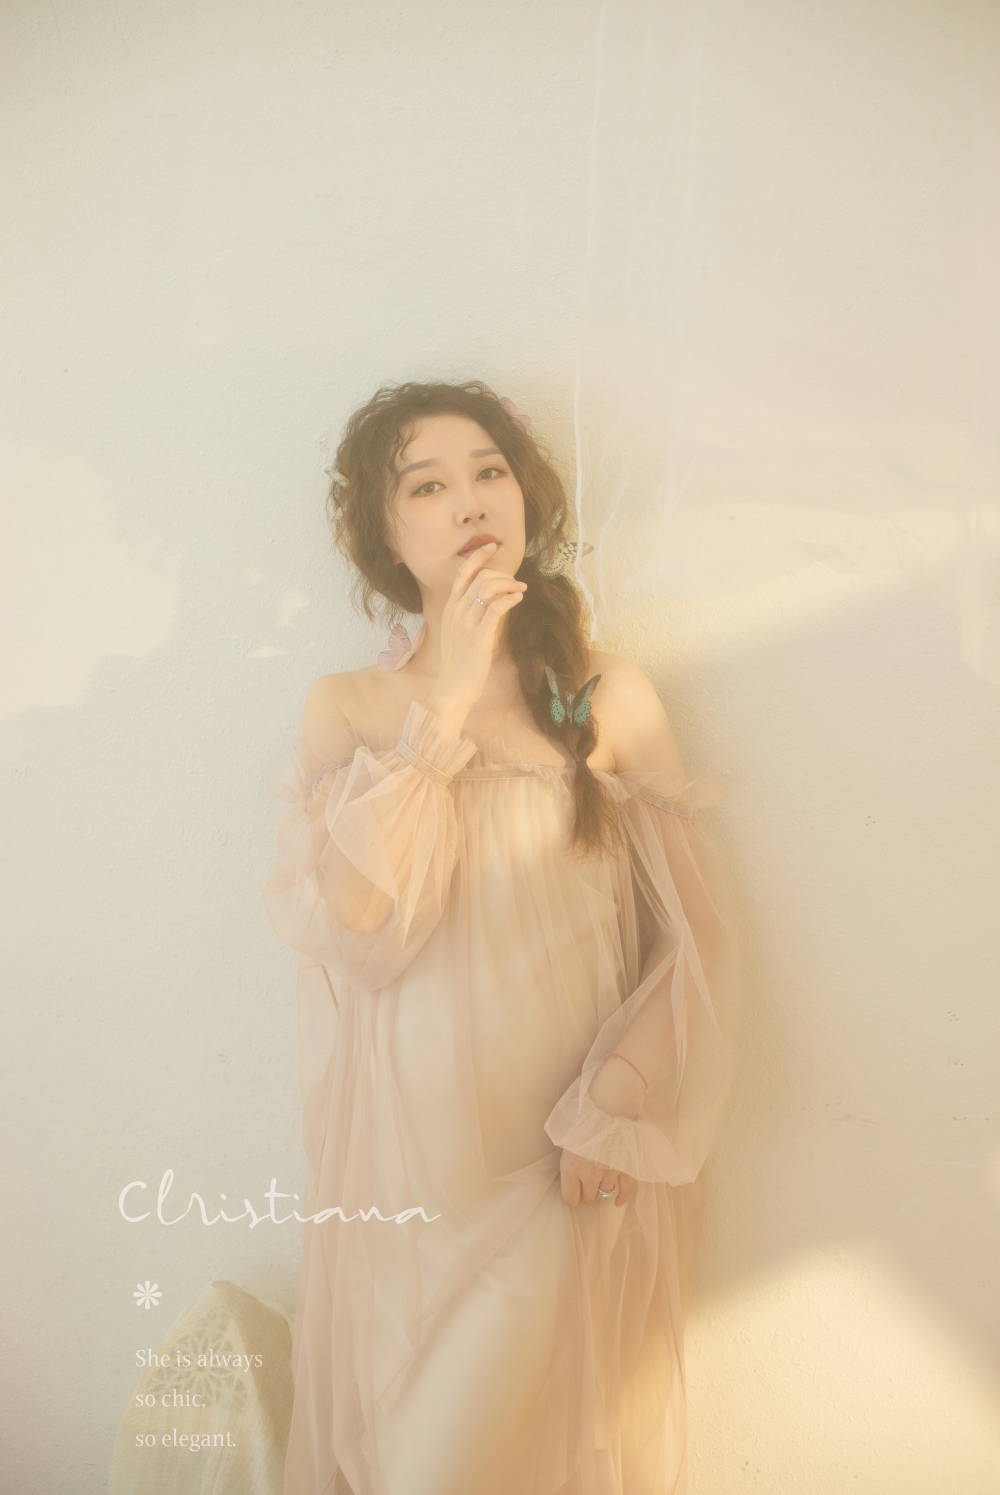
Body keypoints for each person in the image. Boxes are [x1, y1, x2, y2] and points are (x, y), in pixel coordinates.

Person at [262, 379, 742, 1495]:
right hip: (406, 1181)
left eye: (489, 472)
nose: (471, 501)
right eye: (427, 486)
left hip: (550, 1160)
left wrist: (611, 1104)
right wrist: (445, 705)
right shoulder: (349, 710)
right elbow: (359, 926)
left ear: (528, 498)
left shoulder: (605, 694)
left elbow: (699, 943)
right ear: (386, 535)